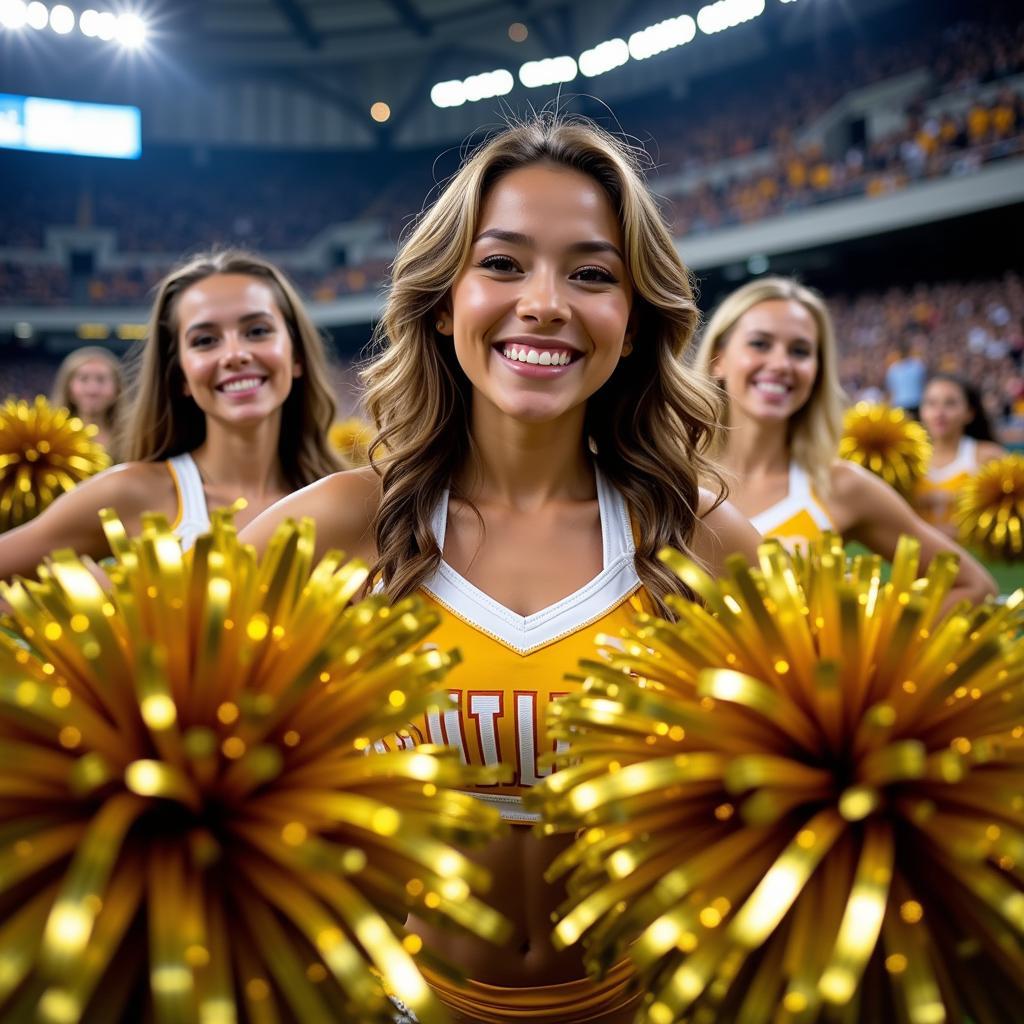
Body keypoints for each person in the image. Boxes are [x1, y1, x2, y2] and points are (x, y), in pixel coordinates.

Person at [240, 114, 762, 1024]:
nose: (547, 302)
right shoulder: (329, 530)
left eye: (592, 273)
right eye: (504, 263)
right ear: (445, 302)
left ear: (634, 322)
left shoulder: (705, 538)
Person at [0, 249, 341, 578]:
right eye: (205, 340)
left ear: (296, 355)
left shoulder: (352, 496)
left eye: (257, 331)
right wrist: (102, 607)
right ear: (181, 376)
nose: (235, 354)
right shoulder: (129, 493)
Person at [693, 277, 996, 605]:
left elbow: (971, 585)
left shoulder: (840, 485)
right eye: (760, 344)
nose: (781, 364)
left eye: (800, 351)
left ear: (817, 371)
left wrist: (862, 643)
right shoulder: (666, 472)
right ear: (718, 359)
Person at [916, 373, 1006, 535]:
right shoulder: (906, 459)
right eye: (931, 403)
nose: (939, 413)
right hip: (915, 558)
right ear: (922, 411)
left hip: (969, 557)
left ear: (969, 413)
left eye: (950, 404)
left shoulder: (989, 456)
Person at [49, 345, 124, 455]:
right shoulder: (49, 440)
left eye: (101, 379)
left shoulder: (134, 441)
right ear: (68, 389)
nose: (92, 390)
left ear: (117, 390)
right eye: (83, 379)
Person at [884, 329, 927, 417]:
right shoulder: (917, 364)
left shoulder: (894, 368)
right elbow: (924, 383)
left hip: (901, 403)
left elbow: (891, 391)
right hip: (915, 402)